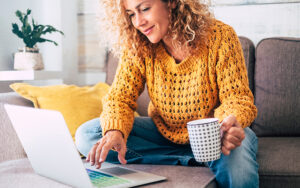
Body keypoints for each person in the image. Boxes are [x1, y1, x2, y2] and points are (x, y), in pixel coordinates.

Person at [75, 0, 259, 187]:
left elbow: (237, 98)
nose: (138, 22)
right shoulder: (138, 44)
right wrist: (115, 131)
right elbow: (119, 98)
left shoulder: (220, 36)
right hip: (164, 133)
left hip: (214, 134)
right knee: (88, 134)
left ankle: (202, 156)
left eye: (145, 9)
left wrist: (226, 126)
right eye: (131, 14)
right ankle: (193, 160)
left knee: (238, 160)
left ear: (171, 2)